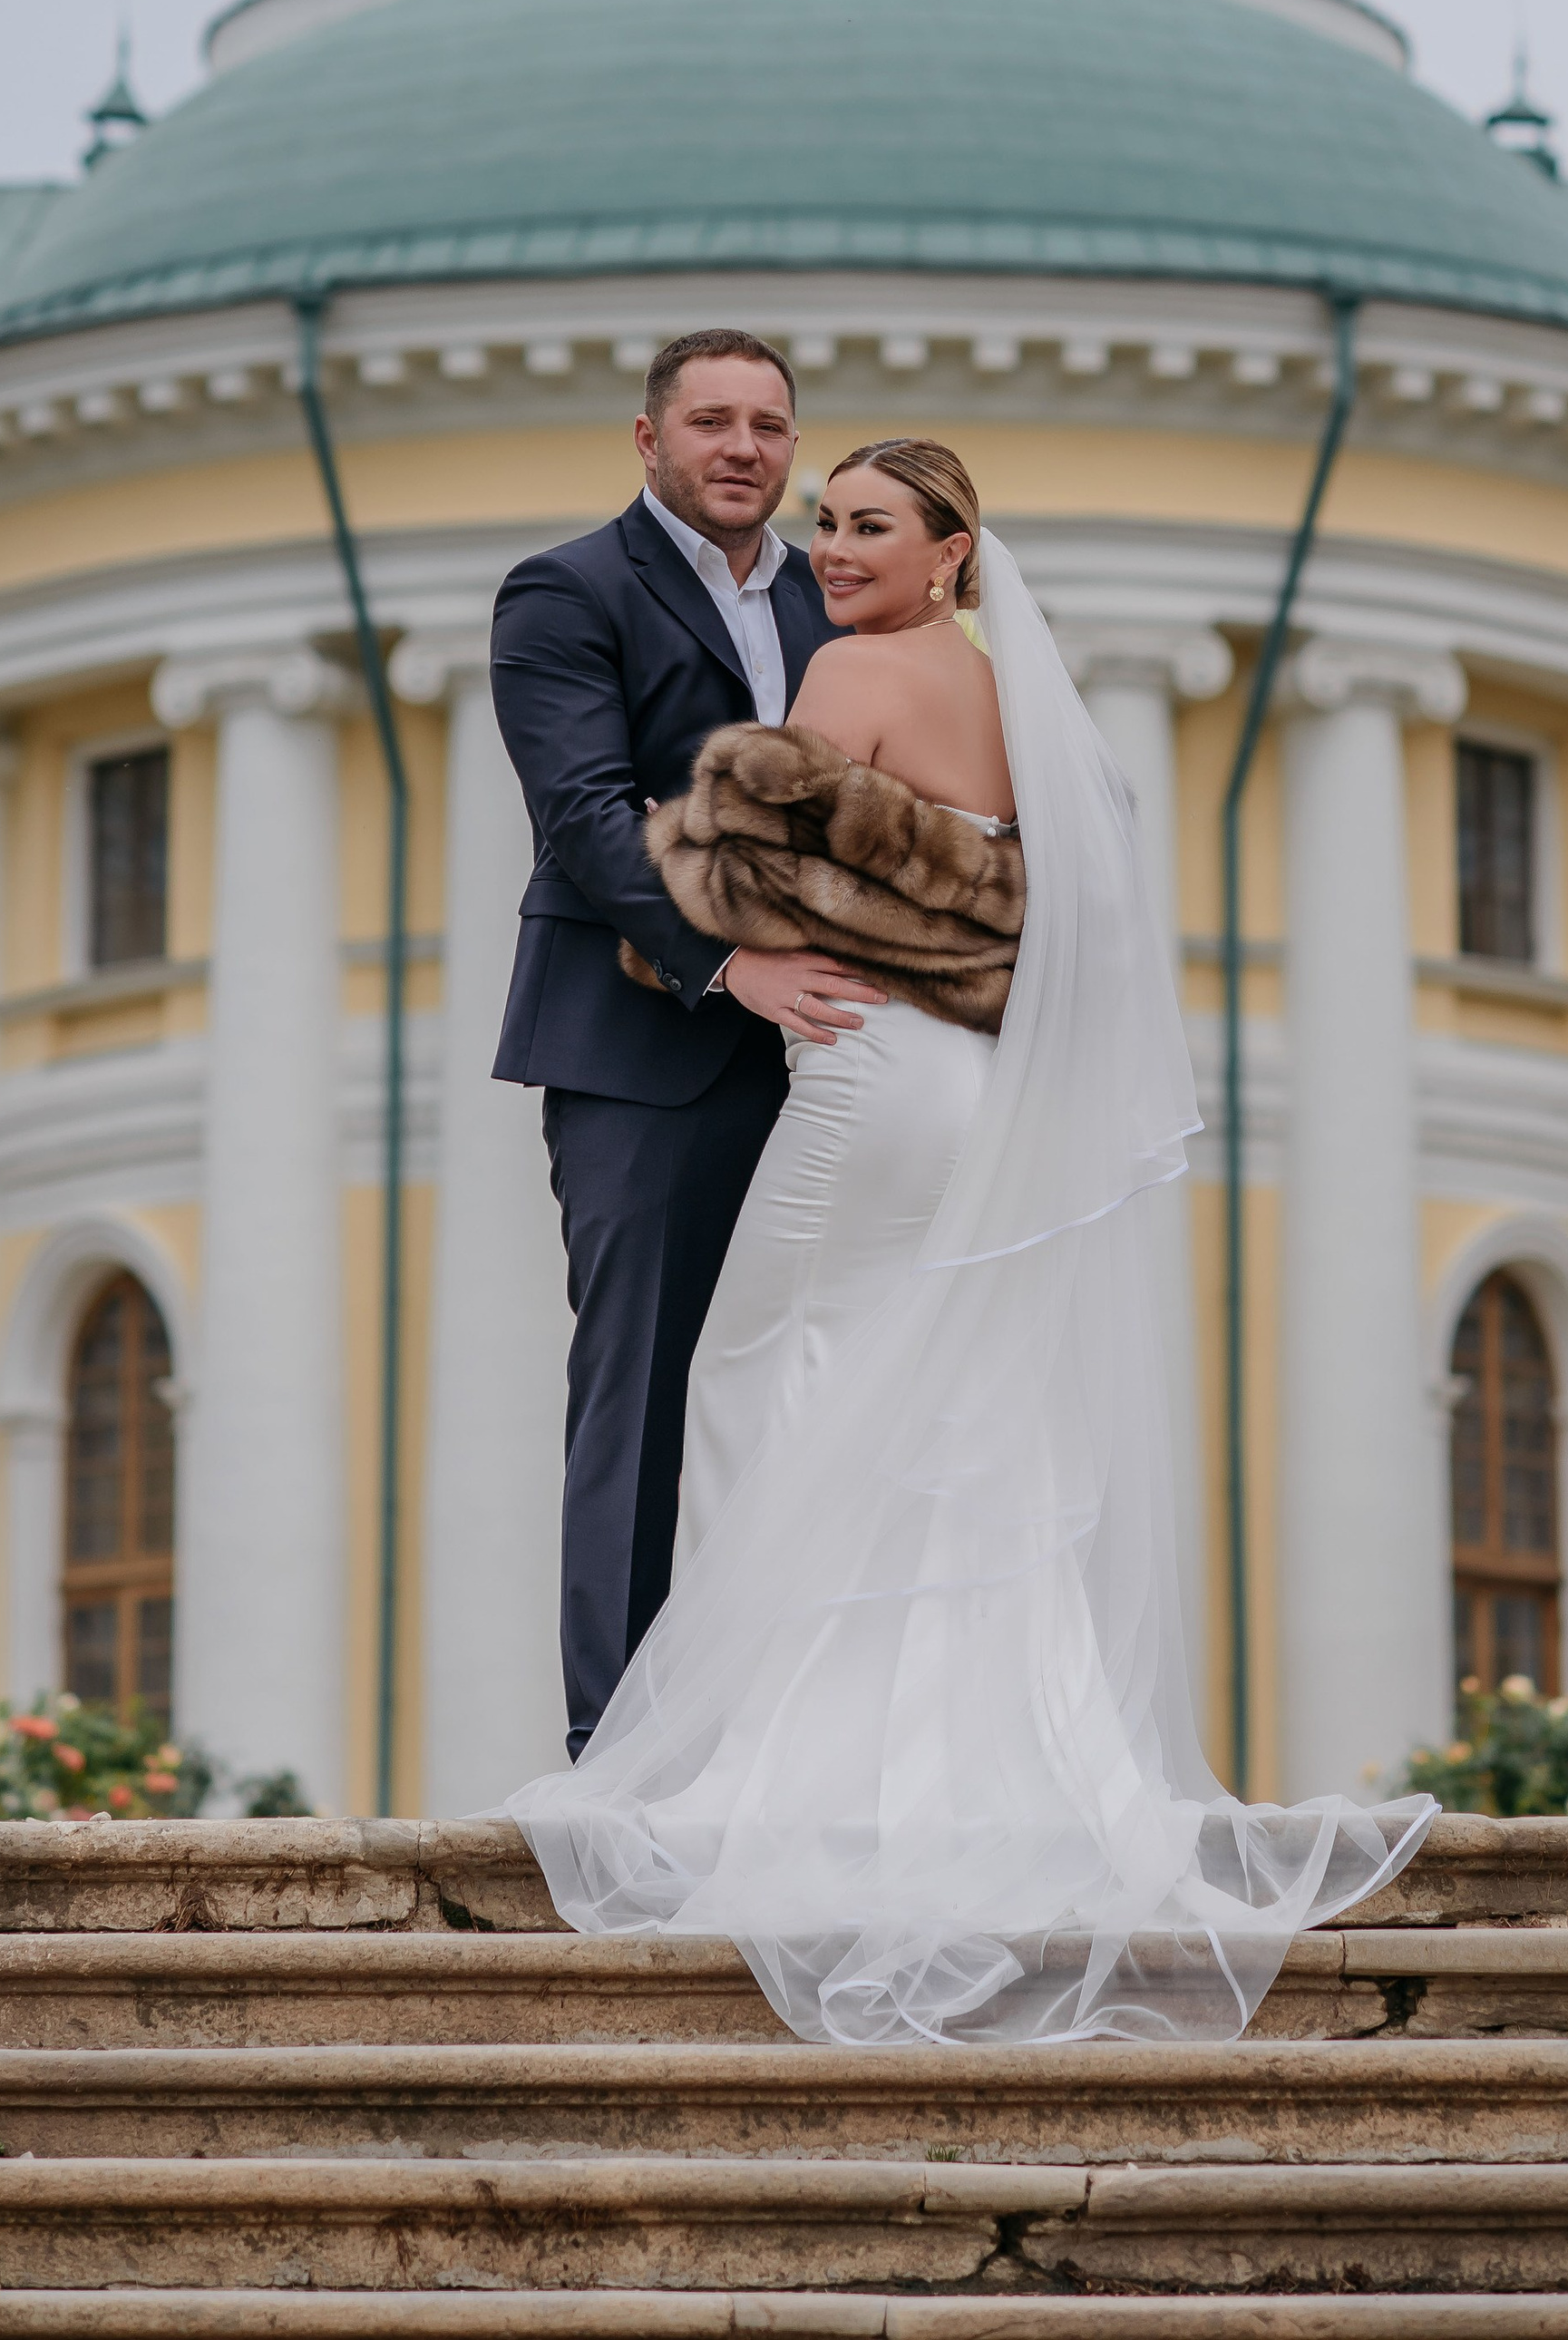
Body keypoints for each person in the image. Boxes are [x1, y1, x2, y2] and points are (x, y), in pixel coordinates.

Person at [509, 435, 1434, 2044]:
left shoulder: (856, 674)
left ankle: (754, 1757)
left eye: (870, 526)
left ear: (949, 550)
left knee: (753, 1372)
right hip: (979, 1086)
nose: (836, 548)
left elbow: (722, 875)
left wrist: (709, 957)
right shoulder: (1021, 703)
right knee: (942, 1401)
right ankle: (981, 1753)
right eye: (828, 526)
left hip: (867, 1076)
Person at [488, 330, 853, 1759]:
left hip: (835, 1053)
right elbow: (582, 818)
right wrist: (728, 965)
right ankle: (622, 1756)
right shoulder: (568, 592)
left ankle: (793, 1736)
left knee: (827, 1379)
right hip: (646, 1051)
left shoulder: (837, 599)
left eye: (769, 424)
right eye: (712, 421)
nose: (744, 448)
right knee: (643, 1392)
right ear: (649, 440)